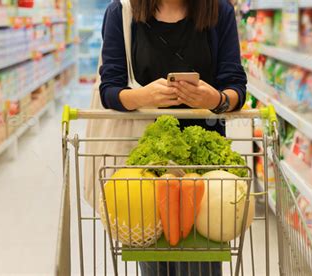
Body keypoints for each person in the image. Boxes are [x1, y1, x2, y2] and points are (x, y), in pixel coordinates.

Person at [98, 0, 247, 274]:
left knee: (201, 261)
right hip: (146, 161)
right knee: (154, 262)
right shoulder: (122, 12)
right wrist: (143, 97)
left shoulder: (219, 11)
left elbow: (235, 86)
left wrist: (215, 98)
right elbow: (109, 88)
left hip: (204, 169)